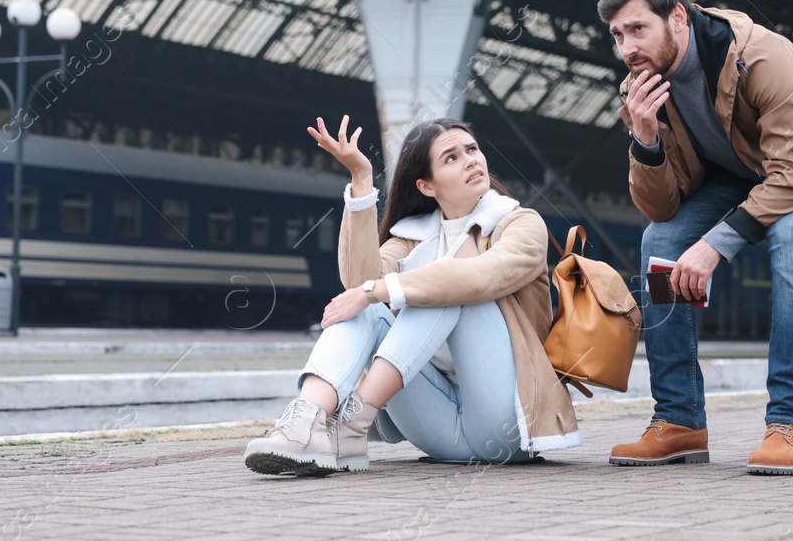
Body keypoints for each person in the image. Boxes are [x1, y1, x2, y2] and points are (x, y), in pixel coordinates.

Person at [598, 0, 793, 475]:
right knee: (658, 242)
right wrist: (645, 141)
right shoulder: (641, 88)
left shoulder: (760, 55)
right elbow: (661, 209)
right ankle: (679, 419)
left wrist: (716, 244)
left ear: (678, 18)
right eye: (618, 35)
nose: (627, 47)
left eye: (638, 29)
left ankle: (789, 422)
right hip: (742, 169)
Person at [244, 115, 581, 476]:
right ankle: (313, 425)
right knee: (366, 309)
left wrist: (381, 289)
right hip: (438, 429)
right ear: (426, 186)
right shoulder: (412, 238)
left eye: (472, 149)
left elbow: (480, 276)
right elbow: (361, 282)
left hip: (508, 428)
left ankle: (349, 419)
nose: (470, 160)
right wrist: (360, 181)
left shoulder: (519, 224)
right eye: (451, 158)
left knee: (445, 289)